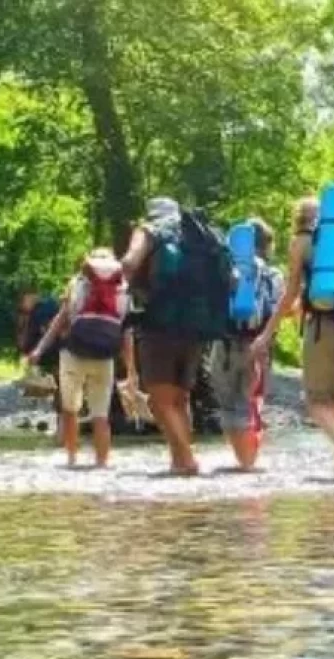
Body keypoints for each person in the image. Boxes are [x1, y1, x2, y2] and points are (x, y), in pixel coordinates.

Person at [252, 197, 334, 480]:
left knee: (316, 401)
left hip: (321, 327)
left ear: (299, 218)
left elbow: (290, 293)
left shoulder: (301, 243)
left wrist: (267, 333)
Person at [122, 197, 232, 476]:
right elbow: (232, 277)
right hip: (198, 325)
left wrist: (124, 287)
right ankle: (178, 460)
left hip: (159, 323)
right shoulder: (201, 234)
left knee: (160, 400)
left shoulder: (149, 231)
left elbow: (129, 262)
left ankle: (187, 459)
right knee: (180, 398)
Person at [26, 249, 138, 468]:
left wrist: (39, 350)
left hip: (73, 355)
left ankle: (71, 459)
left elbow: (60, 321)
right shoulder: (122, 289)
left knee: (70, 410)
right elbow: (126, 333)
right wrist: (132, 369)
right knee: (100, 414)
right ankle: (102, 463)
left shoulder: (78, 283)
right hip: (105, 357)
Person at [212, 218, 282, 471]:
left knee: (229, 404)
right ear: (267, 245)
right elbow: (280, 310)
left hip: (225, 345)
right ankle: (248, 466)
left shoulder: (227, 269)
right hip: (259, 347)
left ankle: (243, 463)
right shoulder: (273, 275)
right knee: (248, 404)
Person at [17, 287, 64, 436]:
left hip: (55, 354)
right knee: (59, 390)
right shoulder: (33, 312)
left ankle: (62, 427)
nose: (23, 305)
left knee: (60, 390)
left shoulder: (42, 310)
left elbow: (48, 330)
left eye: (23, 300)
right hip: (52, 354)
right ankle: (61, 426)